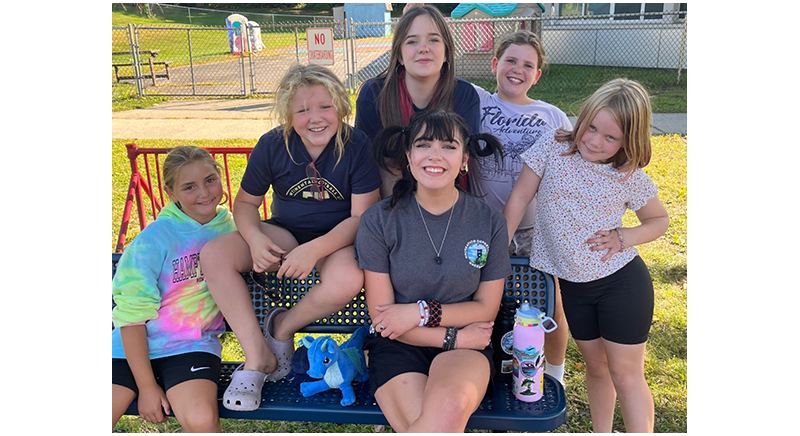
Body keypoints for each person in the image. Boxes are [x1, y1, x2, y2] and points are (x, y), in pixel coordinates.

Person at [200, 63, 381, 411]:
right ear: (287, 114)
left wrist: (314, 251)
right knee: (215, 254)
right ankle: (257, 358)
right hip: (284, 232)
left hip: (337, 239)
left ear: (341, 107)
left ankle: (282, 326)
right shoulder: (273, 145)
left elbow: (361, 217)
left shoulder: (356, 145)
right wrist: (253, 238)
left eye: (325, 106)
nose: (316, 118)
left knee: (346, 278)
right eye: (302, 110)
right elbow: (245, 204)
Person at [503, 78, 669, 433]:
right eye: (591, 128)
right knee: (596, 368)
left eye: (610, 138)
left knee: (625, 375)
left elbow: (659, 220)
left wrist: (626, 236)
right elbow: (519, 198)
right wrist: (499, 249)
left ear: (628, 141)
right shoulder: (553, 144)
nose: (595, 141)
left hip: (620, 285)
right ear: (583, 118)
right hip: (574, 287)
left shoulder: (628, 174)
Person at [355, 110, 509, 432]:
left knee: (449, 409)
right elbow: (384, 319)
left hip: (469, 346)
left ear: (465, 158)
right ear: (409, 156)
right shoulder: (378, 220)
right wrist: (454, 336)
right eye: (424, 145)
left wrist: (418, 312)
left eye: (449, 146)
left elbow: (485, 308)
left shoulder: (489, 221)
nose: (435, 156)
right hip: (399, 344)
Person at [468, 30, 572, 386]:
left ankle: (555, 374)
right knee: (478, 298)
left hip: (533, 230)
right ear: (495, 64)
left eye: (528, 65)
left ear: (538, 75)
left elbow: (575, 169)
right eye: (510, 60)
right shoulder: (476, 102)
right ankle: (482, 368)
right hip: (480, 225)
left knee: (550, 300)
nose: (518, 69)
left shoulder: (553, 116)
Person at [111, 146, 237, 432]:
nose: (204, 193)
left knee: (201, 419)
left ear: (219, 176)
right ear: (171, 192)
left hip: (190, 344)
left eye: (210, 180)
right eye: (189, 187)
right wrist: (146, 386)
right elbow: (131, 316)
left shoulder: (232, 228)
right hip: (130, 348)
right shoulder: (152, 240)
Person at [355, 4, 481, 198]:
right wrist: (401, 217)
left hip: (446, 192)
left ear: (447, 52)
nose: (424, 48)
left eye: (433, 40)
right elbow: (379, 166)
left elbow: (457, 164)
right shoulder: (373, 95)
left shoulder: (464, 95)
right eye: (412, 41)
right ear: (399, 55)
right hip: (392, 195)